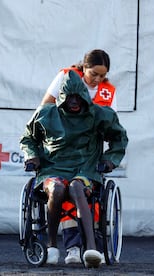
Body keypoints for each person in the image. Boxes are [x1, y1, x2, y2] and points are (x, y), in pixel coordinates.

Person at [19, 70, 128, 268]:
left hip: (85, 169)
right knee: (57, 188)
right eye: (70, 97)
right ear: (62, 98)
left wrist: (110, 160)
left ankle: (91, 249)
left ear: (85, 96)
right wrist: (32, 157)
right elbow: (28, 138)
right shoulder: (46, 113)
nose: (75, 101)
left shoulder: (99, 114)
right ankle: (52, 246)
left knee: (77, 187)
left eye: (78, 97)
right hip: (53, 168)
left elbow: (119, 138)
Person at [41, 49, 117, 264]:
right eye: (94, 74)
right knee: (61, 189)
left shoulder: (107, 91)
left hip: (88, 151)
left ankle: (91, 249)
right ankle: (71, 247)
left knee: (83, 189)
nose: (98, 79)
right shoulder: (66, 76)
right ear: (84, 68)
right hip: (63, 147)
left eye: (103, 75)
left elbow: (112, 125)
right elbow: (44, 107)